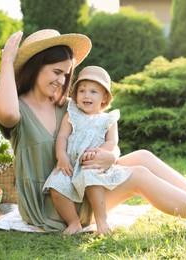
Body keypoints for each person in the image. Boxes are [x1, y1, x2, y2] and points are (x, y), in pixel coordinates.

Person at [0, 29, 186, 235]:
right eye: (56, 72)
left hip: (84, 185)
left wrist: (111, 155)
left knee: (142, 156)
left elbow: (105, 138)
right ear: (35, 67)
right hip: (57, 205)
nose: (63, 81)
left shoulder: (68, 107)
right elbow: (6, 112)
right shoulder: (19, 110)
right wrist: (7, 61)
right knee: (139, 177)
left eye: (67, 74)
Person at [43, 65, 131, 235]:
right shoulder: (72, 114)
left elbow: (112, 142)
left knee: (92, 179)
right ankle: (73, 222)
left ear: (104, 97)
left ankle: (101, 219)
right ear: (76, 94)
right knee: (55, 185)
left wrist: (98, 152)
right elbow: (62, 137)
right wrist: (61, 157)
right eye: (82, 91)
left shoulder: (108, 119)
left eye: (93, 91)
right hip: (70, 162)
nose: (86, 95)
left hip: (91, 163)